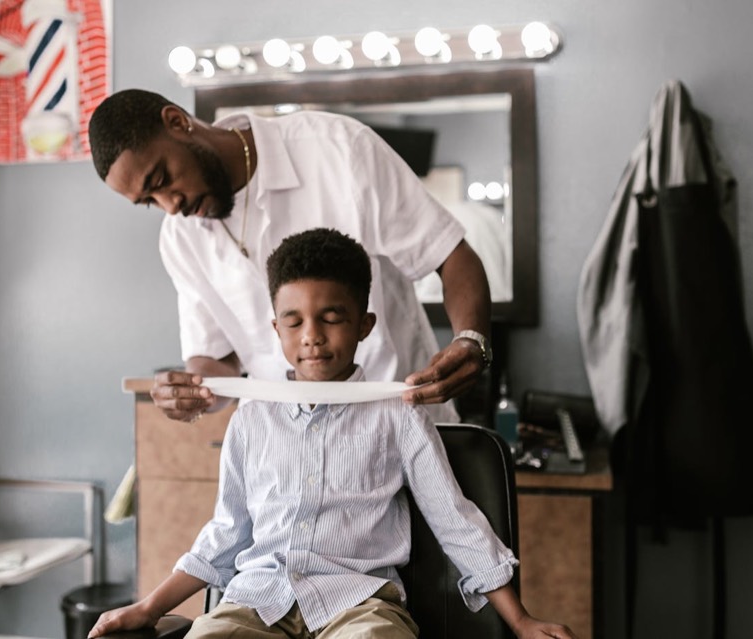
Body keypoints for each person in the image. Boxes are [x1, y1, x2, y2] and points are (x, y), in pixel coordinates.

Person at [87, 229, 575, 639]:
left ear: (364, 325)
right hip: (257, 601)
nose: (311, 336)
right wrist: (149, 607)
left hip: (360, 605)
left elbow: (454, 519)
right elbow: (226, 533)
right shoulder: (252, 418)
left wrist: (520, 621)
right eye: (294, 322)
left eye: (331, 318)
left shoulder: (398, 415)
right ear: (276, 329)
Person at [87, 89, 495, 424]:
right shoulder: (180, 238)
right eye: (148, 201)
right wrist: (190, 392)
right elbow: (218, 359)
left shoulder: (337, 150)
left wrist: (471, 338)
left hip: (402, 426)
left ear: (177, 122)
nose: (169, 205)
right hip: (287, 456)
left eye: (161, 180)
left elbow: (450, 255)